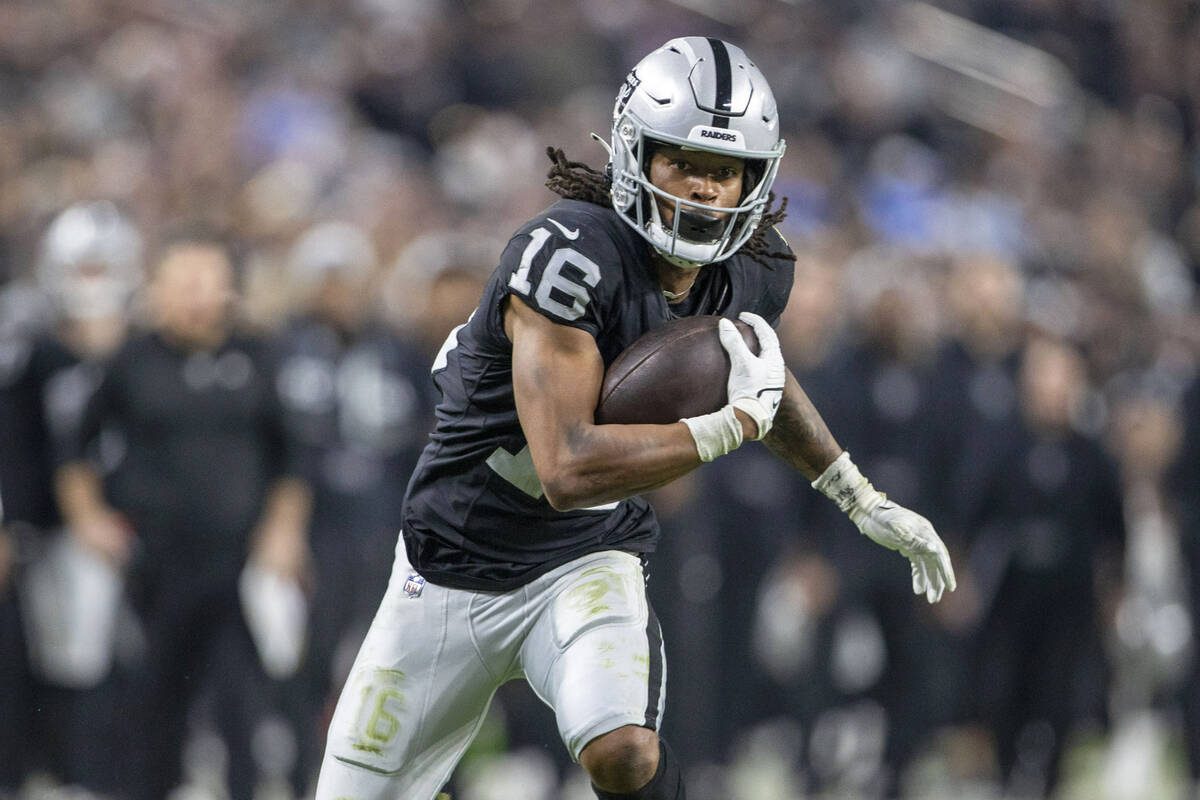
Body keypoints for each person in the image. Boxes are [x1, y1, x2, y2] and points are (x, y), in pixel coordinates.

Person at [315, 37, 955, 800]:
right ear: (633, 153)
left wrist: (858, 496)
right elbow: (565, 468)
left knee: (623, 750)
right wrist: (723, 430)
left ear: (758, 177)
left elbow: (761, 378)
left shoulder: (755, 268)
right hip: (448, 563)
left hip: (584, 557)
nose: (705, 189)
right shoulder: (567, 254)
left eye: (724, 171)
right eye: (682, 161)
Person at [55, 228, 312, 800]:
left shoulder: (257, 354)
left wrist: (283, 530)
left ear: (228, 289)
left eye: (207, 281)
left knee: (240, 702)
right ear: (158, 289)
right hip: (152, 566)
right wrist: (87, 519)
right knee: (151, 701)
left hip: (238, 565)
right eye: (184, 282)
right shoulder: (131, 357)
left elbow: (292, 456)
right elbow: (74, 446)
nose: (196, 295)